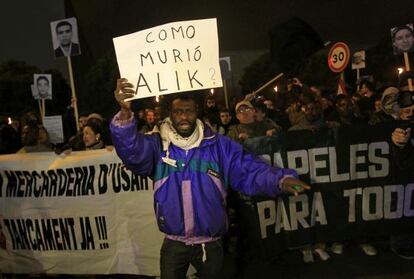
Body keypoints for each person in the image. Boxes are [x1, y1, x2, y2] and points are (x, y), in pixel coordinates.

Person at [110, 78, 310, 278]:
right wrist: (126, 112)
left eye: (189, 111)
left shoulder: (219, 146)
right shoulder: (156, 145)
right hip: (173, 243)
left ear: (198, 112)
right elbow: (132, 153)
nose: (184, 117)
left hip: (211, 243)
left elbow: (250, 170)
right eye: (178, 112)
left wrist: (280, 180)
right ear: (170, 114)